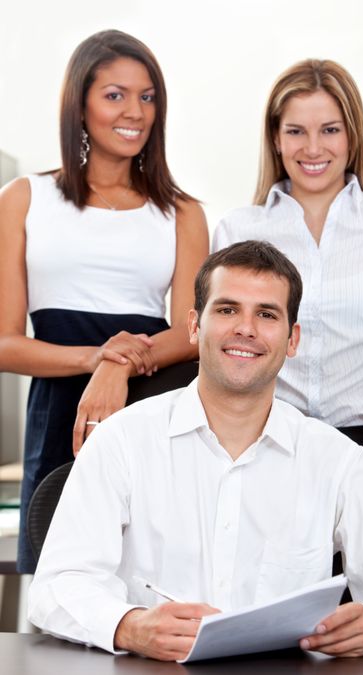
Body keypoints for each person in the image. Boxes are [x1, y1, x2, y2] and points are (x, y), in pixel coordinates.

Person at [28, 241, 363, 661]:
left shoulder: (335, 458)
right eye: (227, 310)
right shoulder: (121, 440)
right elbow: (56, 584)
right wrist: (128, 626)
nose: (245, 329)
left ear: (292, 339)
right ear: (195, 326)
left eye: (267, 314)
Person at [0, 29, 208, 573]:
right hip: (57, 412)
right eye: (115, 94)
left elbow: (191, 333)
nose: (135, 111)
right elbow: (3, 344)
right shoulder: (25, 198)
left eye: (147, 96)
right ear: (81, 104)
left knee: (147, 580)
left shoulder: (184, 213)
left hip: (152, 405)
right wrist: (101, 360)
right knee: (55, 577)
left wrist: (121, 368)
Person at [213, 59, 363, 525]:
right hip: (267, 450)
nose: (314, 148)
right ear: (276, 139)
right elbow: (212, 345)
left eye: (330, 130)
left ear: (352, 136)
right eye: (297, 131)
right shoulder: (239, 230)